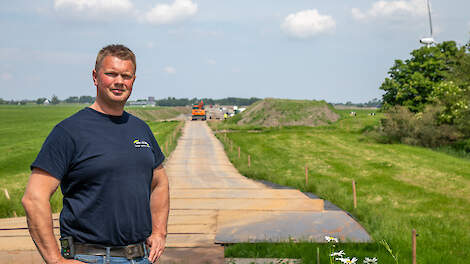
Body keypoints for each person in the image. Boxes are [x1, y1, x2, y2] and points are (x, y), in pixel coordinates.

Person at [22, 44, 169, 264]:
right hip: (90, 257)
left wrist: (159, 232)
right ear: (95, 77)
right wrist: (55, 260)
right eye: (111, 74)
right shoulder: (69, 132)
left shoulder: (141, 129)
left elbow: (159, 183)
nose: (119, 81)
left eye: (126, 76)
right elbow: (34, 198)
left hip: (139, 257)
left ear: (133, 80)